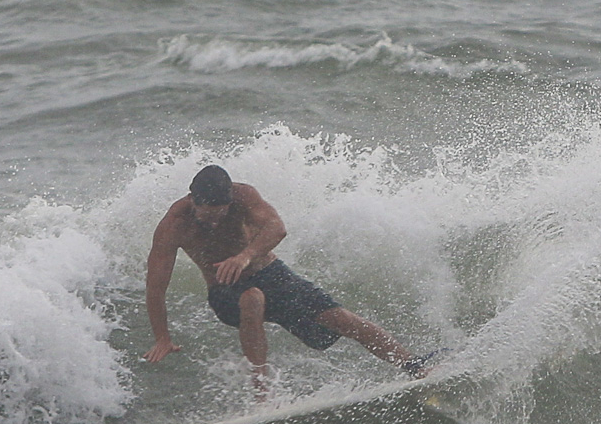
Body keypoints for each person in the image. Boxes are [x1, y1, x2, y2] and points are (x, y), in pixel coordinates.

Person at [143, 165, 429, 398]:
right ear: (193, 200)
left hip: (272, 275)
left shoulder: (244, 197)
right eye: (208, 217)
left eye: (221, 214)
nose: (215, 222)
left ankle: (413, 365)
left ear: (230, 201)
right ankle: (262, 396)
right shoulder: (174, 226)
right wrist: (162, 338)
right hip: (225, 290)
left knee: (341, 319)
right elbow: (156, 286)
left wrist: (244, 257)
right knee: (252, 298)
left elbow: (277, 228)